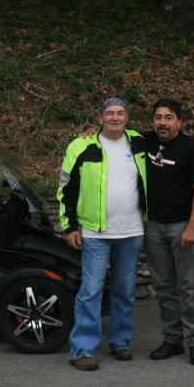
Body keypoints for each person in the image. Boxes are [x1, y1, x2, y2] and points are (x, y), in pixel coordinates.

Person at [57, 97, 148, 371]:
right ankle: (82, 349)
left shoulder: (140, 142)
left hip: (132, 231)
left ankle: (120, 341)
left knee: (124, 290)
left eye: (120, 113)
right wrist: (69, 226)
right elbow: (66, 188)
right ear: (100, 118)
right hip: (95, 233)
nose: (115, 118)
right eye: (109, 113)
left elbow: (170, 137)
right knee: (91, 290)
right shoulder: (81, 146)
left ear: (127, 117)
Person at [144, 98, 194, 365]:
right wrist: (94, 130)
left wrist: (192, 226)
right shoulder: (144, 141)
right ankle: (172, 339)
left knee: (190, 287)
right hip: (153, 227)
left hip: (183, 226)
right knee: (163, 286)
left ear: (180, 122)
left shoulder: (192, 149)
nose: (163, 122)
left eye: (169, 117)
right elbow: (113, 130)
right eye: (158, 117)